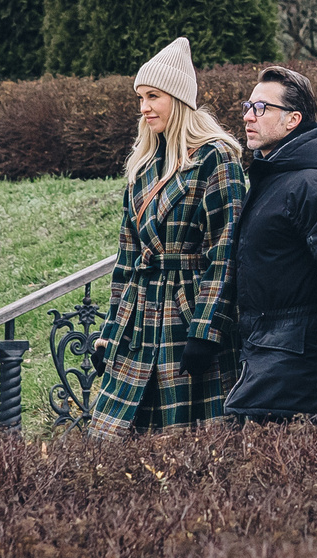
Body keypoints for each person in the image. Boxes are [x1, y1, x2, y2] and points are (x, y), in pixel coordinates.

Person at [86, 37, 245, 438]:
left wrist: (206, 331)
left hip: (188, 316)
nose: (144, 107)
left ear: (179, 99)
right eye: (140, 97)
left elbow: (225, 251)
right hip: (140, 319)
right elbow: (127, 261)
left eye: (153, 96)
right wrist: (109, 334)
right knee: (112, 440)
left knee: (191, 443)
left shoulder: (215, 157)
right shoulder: (143, 166)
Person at [225, 65, 317, 425]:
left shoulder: (311, 184)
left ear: (293, 120)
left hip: (295, 370)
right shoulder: (273, 176)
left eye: (261, 108)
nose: (248, 116)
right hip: (264, 358)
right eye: (247, 106)